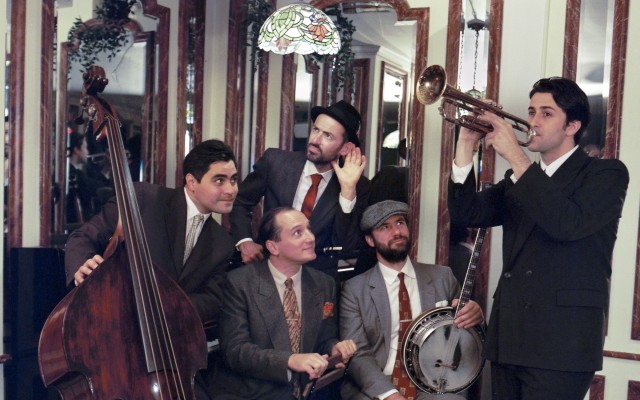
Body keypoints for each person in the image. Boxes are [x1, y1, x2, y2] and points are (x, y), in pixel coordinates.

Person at [448, 77, 629, 399]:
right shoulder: (518, 180)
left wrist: (515, 156)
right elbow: (467, 213)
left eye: (546, 113)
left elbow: (565, 224)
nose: (533, 121)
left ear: (572, 126)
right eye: (532, 112)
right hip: (509, 339)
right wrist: (465, 141)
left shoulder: (606, 174)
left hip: (563, 345)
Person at [64, 139, 239, 399]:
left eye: (234, 180)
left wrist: (165, 307)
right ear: (192, 182)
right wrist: (83, 264)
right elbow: (83, 237)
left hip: (166, 353)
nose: (231, 189)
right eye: (219, 180)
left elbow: (212, 298)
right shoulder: (144, 198)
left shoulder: (223, 243)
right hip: (111, 337)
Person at [340, 200, 484, 400]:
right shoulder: (354, 290)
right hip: (377, 386)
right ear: (370, 240)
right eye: (385, 227)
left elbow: (465, 336)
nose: (396, 232)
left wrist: (476, 315)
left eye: (400, 223)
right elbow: (358, 353)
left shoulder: (443, 277)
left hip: (431, 385)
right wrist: (390, 395)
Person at [211, 207, 357, 399]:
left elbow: (324, 338)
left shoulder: (324, 283)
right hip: (254, 393)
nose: (310, 238)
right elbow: (236, 351)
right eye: (298, 232)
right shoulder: (240, 283)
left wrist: (334, 348)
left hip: (308, 392)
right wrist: (289, 360)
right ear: (273, 247)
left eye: (309, 229)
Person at [230, 100, 370, 277]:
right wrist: (245, 241)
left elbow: (345, 245)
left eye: (328, 136)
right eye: (316, 130)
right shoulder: (275, 162)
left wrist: (347, 190)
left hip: (318, 279)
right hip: (265, 270)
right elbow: (240, 202)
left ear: (345, 148)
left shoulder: (358, 186)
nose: (315, 140)